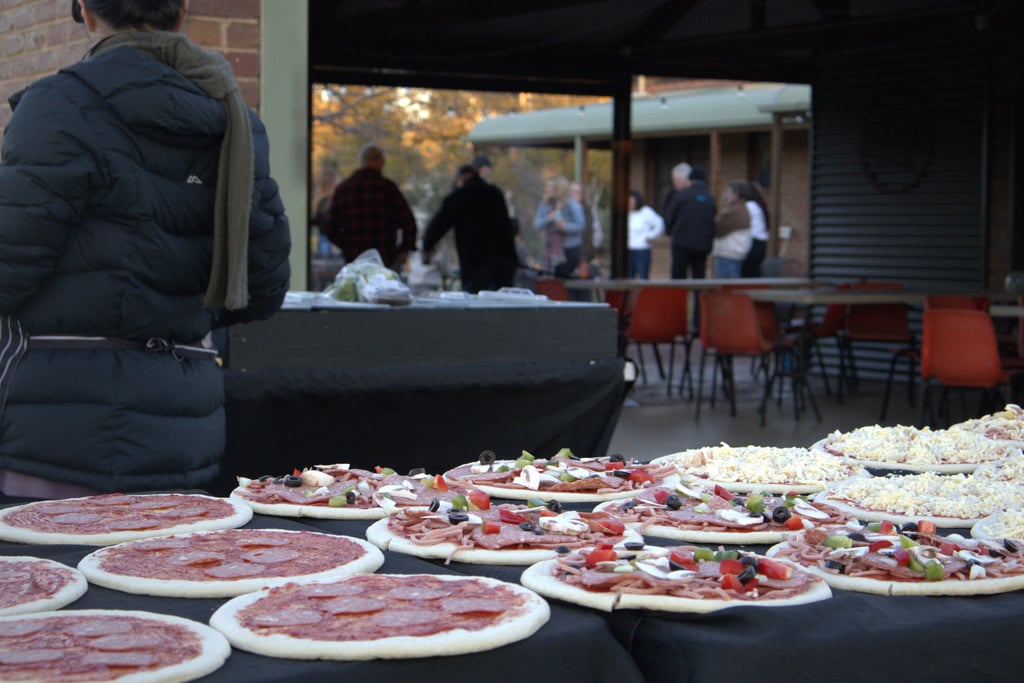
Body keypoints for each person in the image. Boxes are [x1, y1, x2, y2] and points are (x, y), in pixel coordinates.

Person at [0, 0, 291, 499]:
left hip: (58, 436)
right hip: (183, 433)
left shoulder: (59, 106)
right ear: (182, 14)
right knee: (155, 570)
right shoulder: (235, 121)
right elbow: (261, 288)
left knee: (48, 575)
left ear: (88, 14)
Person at [421, 165, 518, 294]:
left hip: (475, 263)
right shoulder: (495, 193)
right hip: (504, 260)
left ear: (461, 179)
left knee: (477, 307)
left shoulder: (459, 197)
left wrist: (427, 246)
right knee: (504, 303)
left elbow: (437, 226)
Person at [321, 142, 417, 272]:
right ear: (377, 161)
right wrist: (403, 250)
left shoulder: (344, 189)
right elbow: (408, 222)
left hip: (354, 259)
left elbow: (329, 225)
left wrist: (346, 244)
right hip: (386, 259)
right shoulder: (388, 188)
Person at [663, 163, 716, 280]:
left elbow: (670, 216)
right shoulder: (710, 197)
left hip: (681, 243)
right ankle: (699, 298)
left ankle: (677, 299)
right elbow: (713, 220)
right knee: (699, 277)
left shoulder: (681, 195)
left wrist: (670, 231)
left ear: (689, 179)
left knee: (678, 277)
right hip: (703, 244)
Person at [533, 175, 584, 278]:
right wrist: (548, 218)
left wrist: (565, 227)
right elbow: (536, 224)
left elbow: (581, 225)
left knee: (564, 279)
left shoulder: (571, 204)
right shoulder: (546, 204)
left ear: (558, 188)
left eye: (550, 187)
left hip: (569, 249)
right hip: (550, 249)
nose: (547, 189)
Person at [712, 181, 753, 278]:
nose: (726, 196)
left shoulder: (733, 212)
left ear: (736, 195)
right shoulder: (744, 208)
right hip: (736, 255)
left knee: (725, 289)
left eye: (729, 192)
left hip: (727, 255)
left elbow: (717, 229)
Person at [626, 190, 665, 279]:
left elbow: (659, 224)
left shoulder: (645, 212)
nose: (629, 203)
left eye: (631, 201)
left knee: (643, 277)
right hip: (628, 250)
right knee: (628, 277)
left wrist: (650, 236)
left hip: (642, 250)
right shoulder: (626, 214)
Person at [570, 181, 604, 275]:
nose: (576, 194)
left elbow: (597, 230)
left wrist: (594, 246)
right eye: (573, 191)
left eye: (578, 191)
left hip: (586, 251)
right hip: (569, 252)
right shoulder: (565, 210)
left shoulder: (589, 210)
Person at [739, 181, 770, 277]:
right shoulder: (760, 207)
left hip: (752, 243)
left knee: (747, 273)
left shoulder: (749, 206)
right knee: (755, 272)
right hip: (761, 243)